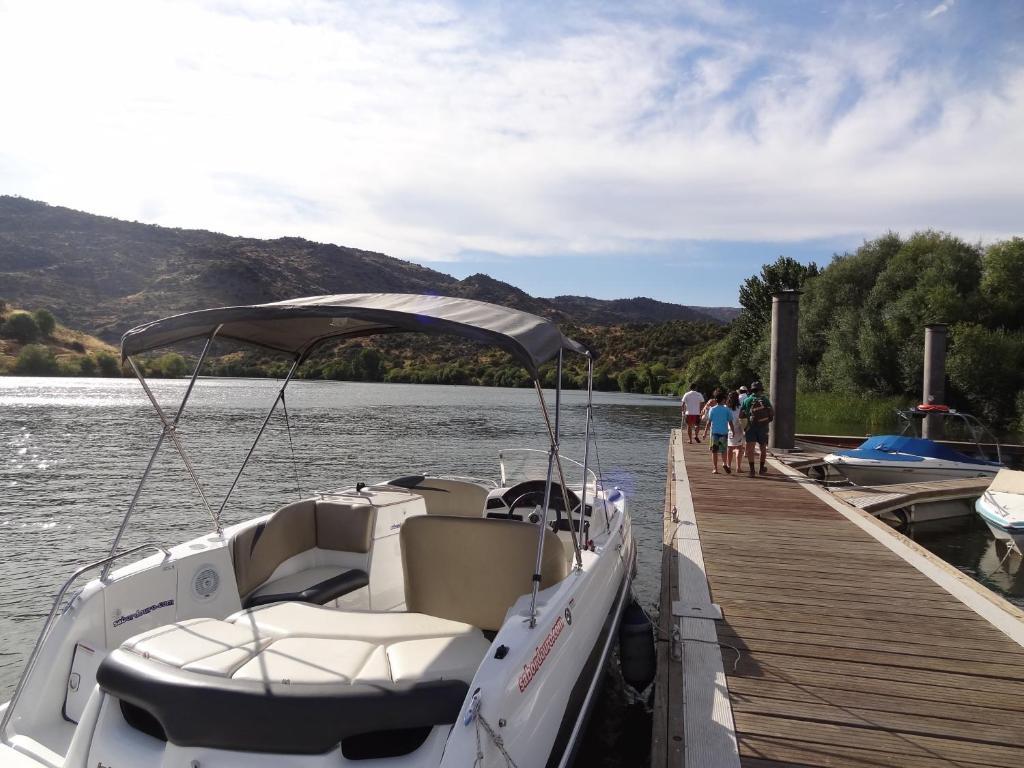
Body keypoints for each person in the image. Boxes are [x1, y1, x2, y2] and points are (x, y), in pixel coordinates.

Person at [741, 381, 774, 477]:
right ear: (760, 390)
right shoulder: (765, 399)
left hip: (750, 427)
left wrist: (745, 427)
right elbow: (771, 412)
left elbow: (741, 415)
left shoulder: (746, 400)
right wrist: (768, 420)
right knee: (763, 448)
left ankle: (752, 471)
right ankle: (761, 469)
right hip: (763, 427)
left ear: (752, 390)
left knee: (750, 449)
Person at [707, 393, 734, 474]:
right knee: (723, 450)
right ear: (723, 400)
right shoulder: (727, 410)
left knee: (714, 451)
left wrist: (705, 432)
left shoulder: (712, 409)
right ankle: (724, 463)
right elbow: (730, 422)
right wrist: (733, 431)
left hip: (715, 433)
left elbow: (709, 421)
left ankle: (715, 468)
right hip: (724, 433)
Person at [726, 390, 745, 471]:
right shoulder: (740, 408)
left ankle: (729, 465)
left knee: (730, 448)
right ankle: (738, 467)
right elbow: (742, 418)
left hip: (729, 429)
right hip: (739, 430)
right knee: (739, 448)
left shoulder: (726, 408)